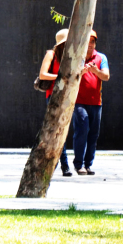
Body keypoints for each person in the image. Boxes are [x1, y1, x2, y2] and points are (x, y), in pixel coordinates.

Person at [73, 30, 109, 175]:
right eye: (87, 42)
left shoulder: (101, 57)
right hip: (79, 101)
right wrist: (79, 73)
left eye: (92, 42)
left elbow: (106, 76)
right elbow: (68, 76)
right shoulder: (77, 57)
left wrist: (95, 71)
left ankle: (88, 165)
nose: (90, 45)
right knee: (82, 129)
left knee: (93, 134)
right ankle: (78, 164)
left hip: (96, 102)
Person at [38, 29, 72, 176]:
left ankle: (59, 163)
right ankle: (64, 165)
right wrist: (60, 76)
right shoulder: (51, 54)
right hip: (53, 96)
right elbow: (43, 74)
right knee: (55, 131)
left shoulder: (71, 55)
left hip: (68, 96)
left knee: (63, 130)